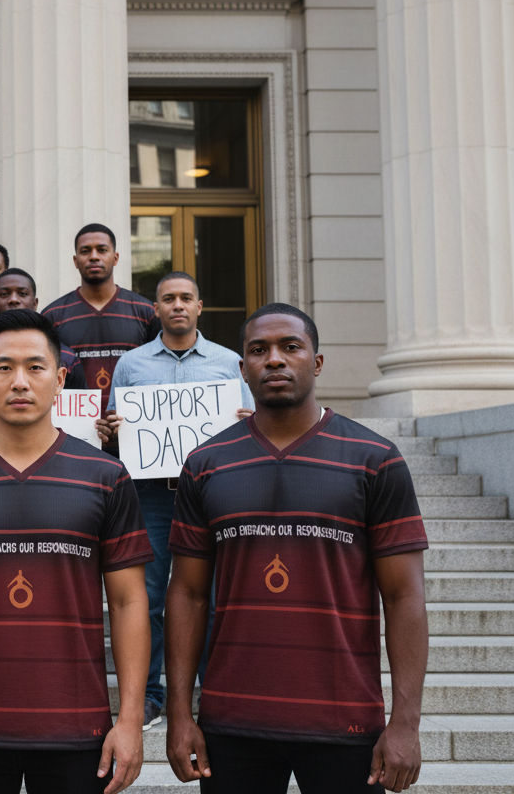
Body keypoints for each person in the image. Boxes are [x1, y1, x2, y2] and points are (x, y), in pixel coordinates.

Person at [164, 303, 429, 794]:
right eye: (259, 350)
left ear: (317, 362)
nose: (275, 360)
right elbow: (187, 595)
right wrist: (180, 714)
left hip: (344, 723)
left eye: (291, 347)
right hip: (232, 722)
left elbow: (404, 597)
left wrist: (406, 723)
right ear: (242, 369)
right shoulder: (205, 464)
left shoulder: (375, 460)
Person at [0, 309, 153, 794]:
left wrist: (131, 719)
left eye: (35, 367)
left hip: (79, 729)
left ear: (59, 379)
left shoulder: (104, 477)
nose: (20, 382)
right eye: (4, 367)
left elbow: (128, 601)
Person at [92, 271, 254, 731]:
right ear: (156, 310)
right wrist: (111, 433)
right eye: (168, 299)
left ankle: (212, 690)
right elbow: (116, 433)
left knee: (217, 596)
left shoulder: (229, 364)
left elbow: (255, 432)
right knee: (147, 597)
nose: (177, 305)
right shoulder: (132, 365)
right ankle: (149, 695)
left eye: (186, 298)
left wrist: (249, 421)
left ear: (199, 307)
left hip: (212, 497)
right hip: (153, 498)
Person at [42, 223, 159, 411]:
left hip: (133, 427)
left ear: (115, 257)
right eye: (85, 251)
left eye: (102, 250)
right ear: (75, 260)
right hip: (75, 430)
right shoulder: (52, 316)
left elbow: (159, 370)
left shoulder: (145, 312)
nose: (94, 256)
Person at [0, 268, 87, 393]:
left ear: (35, 303)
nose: (13, 300)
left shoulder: (67, 358)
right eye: (4, 294)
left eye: (22, 294)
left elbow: (83, 413)